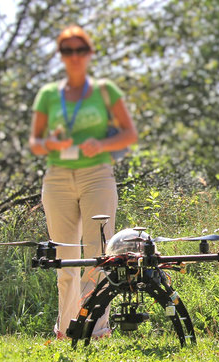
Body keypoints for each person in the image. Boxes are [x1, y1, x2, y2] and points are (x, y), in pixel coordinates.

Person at [29, 26, 138, 339]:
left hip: (97, 175)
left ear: (89, 53)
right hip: (58, 178)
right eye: (67, 51)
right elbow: (35, 143)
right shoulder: (49, 95)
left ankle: (96, 329)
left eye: (80, 50)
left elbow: (129, 134)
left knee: (98, 255)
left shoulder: (105, 90)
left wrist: (101, 144)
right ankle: (65, 329)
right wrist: (50, 142)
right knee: (64, 259)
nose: (74, 56)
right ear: (60, 56)